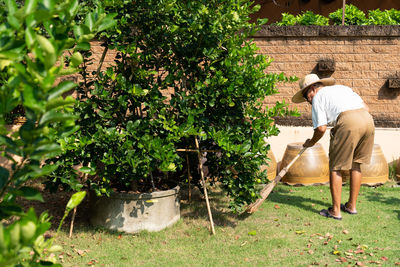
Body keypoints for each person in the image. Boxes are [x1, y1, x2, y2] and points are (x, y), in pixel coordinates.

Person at [292, 74, 375, 220]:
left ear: (313, 89)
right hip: (368, 121)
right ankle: (351, 206)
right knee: (356, 164)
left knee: (335, 167)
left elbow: (321, 129)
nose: (308, 101)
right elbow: (366, 108)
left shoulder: (318, 98)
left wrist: (311, 142)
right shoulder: (342, 88)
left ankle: (335, 211)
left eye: (307, 96)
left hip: (349, 122)